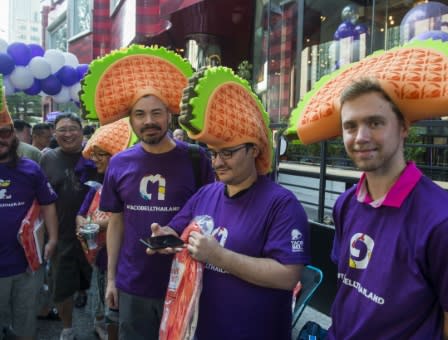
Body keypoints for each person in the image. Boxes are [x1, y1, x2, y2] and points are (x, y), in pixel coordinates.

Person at [150, 66, 310, 340]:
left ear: (255, 150)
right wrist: (166, 238)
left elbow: (288, 276)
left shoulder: (282, 205)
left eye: (228, 152)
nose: (217, 163)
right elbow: (178, 232)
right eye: (213, 153)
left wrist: (219, 256)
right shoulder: (206, 193)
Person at [326, 79, 448, 339]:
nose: (360, 137)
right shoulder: (345, 204)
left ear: (404, 127)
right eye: (350, 126)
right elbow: (348, 288)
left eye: (375, 123)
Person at [81, 45, 214, 339]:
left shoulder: (196, 159)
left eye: (156, 113)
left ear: (169, 116)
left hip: (185, 280)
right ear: (131, 119)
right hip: (134, 284)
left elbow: (212, 217)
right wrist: (111, 280)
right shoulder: (119, 162)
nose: (148, 121)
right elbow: (116, 223)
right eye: (140, 114)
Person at [0, 92, 59, 339]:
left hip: (26, 263)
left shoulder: (30, 168)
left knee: (25, 326)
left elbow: (48, 204)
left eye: (5, 132)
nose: (0, 139)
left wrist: (53, 239)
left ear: (13, 134)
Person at [40, 112, 98, 340]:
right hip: (62, 233)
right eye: (62, 129)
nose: (67, 133)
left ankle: (97, 315)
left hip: (95, 232)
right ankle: (67, 327)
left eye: (72, 128)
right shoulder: (48, 158)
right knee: (61, 284)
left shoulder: (94, 154)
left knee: (94, 279)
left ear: (81, 130)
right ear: (54, 133)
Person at [76, 118, 134, 340]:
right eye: (94, 154)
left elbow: (128, 218)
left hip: (125, 262)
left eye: (102, 154)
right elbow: (80, 214)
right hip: (102, 261)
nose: (95, 160)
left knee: (120, 316)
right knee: (110, 313)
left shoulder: (130, 184)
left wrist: (97, 225)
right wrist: (82, 224)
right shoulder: (97, 188)